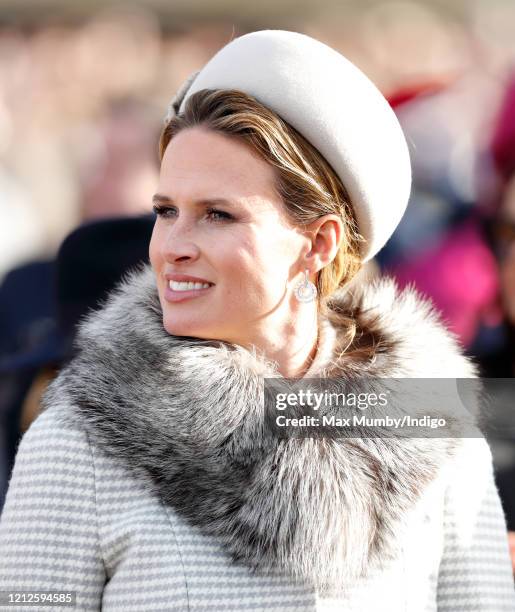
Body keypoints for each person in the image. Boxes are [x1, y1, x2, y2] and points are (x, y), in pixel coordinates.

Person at [0, 30, 513, 611]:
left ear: (319, 244)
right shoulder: (81, 435)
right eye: (166, 212)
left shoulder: (432, 419)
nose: (171, 246)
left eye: (218, 215)